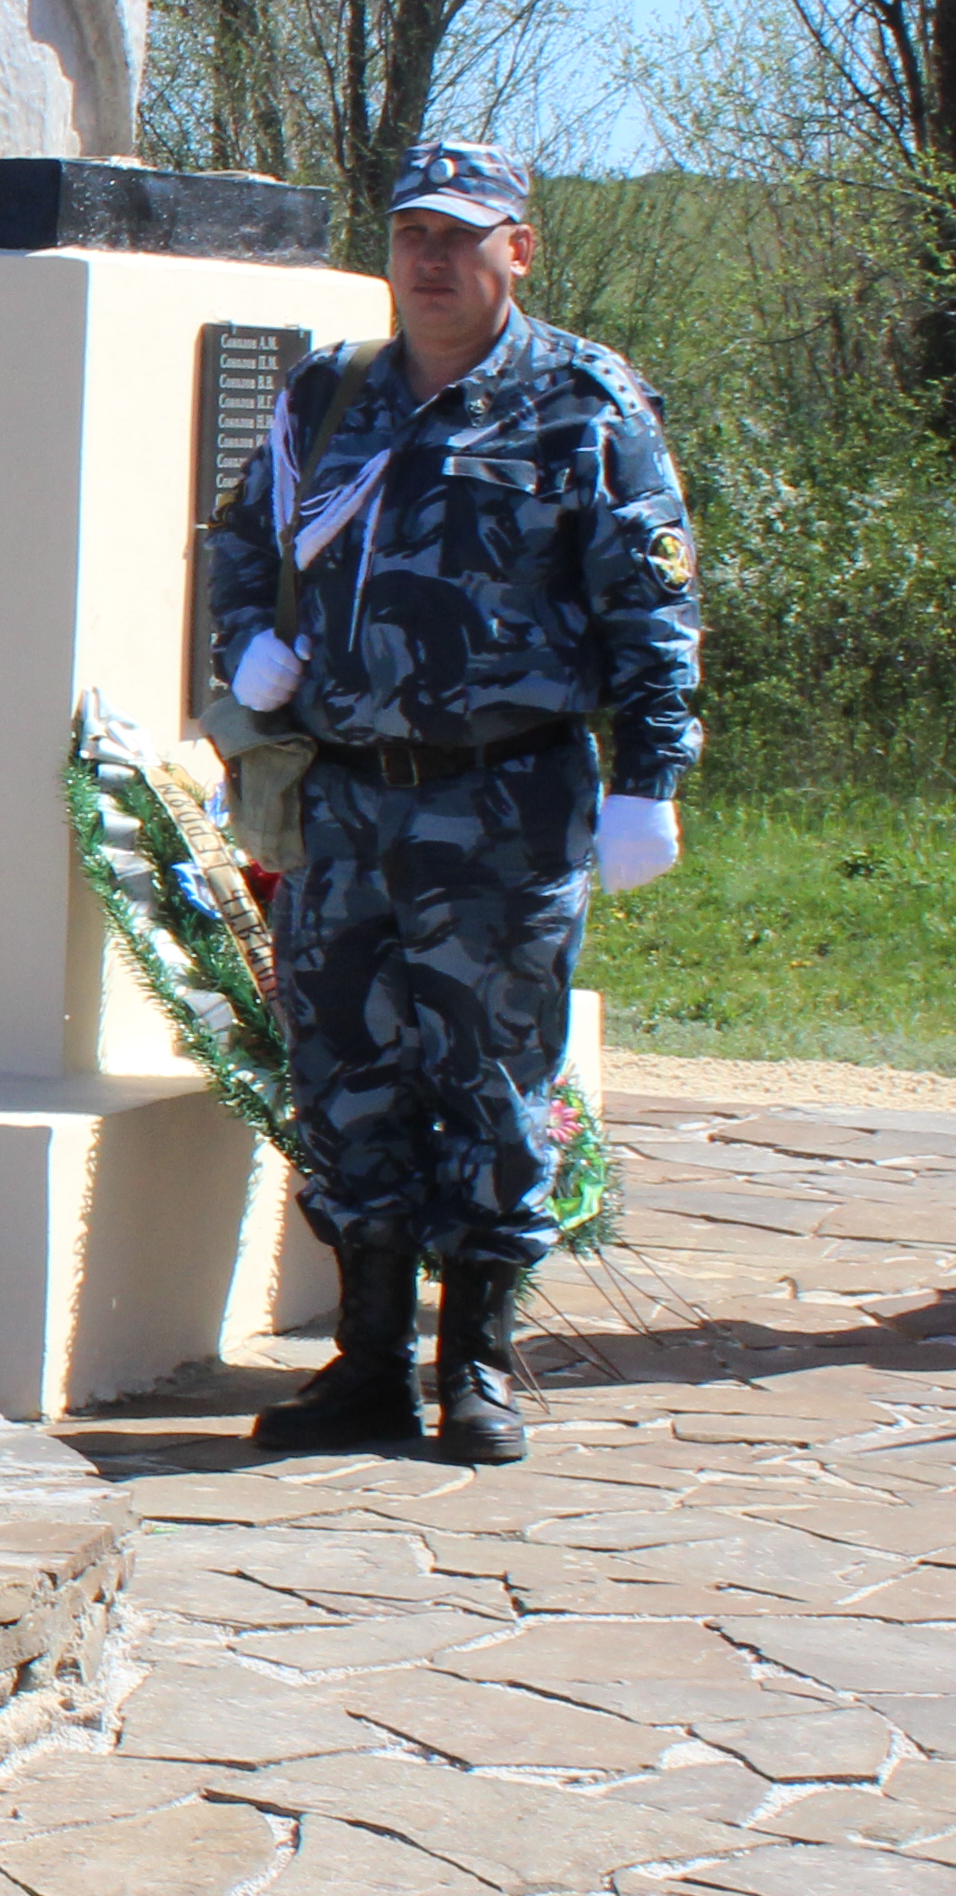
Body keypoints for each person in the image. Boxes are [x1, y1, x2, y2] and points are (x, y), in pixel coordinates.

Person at [201, 142, 701, 1462]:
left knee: (491, 1081)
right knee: (346, 1080)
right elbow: (243, 541)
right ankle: (366, 1362)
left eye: (461, 237)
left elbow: (652, 606)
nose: (430, 259)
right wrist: (246, 643)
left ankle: (474, 1362)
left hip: (504, 804)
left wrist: (651, 777)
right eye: (412, 232)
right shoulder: (333, 395)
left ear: (517, 252)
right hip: (348, 806)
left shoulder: (583, 403)